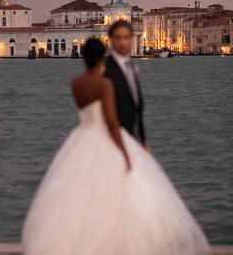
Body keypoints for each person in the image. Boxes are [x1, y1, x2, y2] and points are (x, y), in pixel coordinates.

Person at [22, 38, 211, 255]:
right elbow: (111, 122)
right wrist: (125, 152)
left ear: (83, 57)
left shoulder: (76, 83)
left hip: (82, 137)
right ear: (102, 56)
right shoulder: (105, 84)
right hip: (104, 137)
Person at [105, 20, 150, 151]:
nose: (122, 43)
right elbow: (111, 117)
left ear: (131, 39)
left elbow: (136, 109)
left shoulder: (129, 68)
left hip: (134, 140)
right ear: (111, 40)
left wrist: (142, 141)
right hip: (118, 144)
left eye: (126, 37)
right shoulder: (108, 72)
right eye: (118, 38)